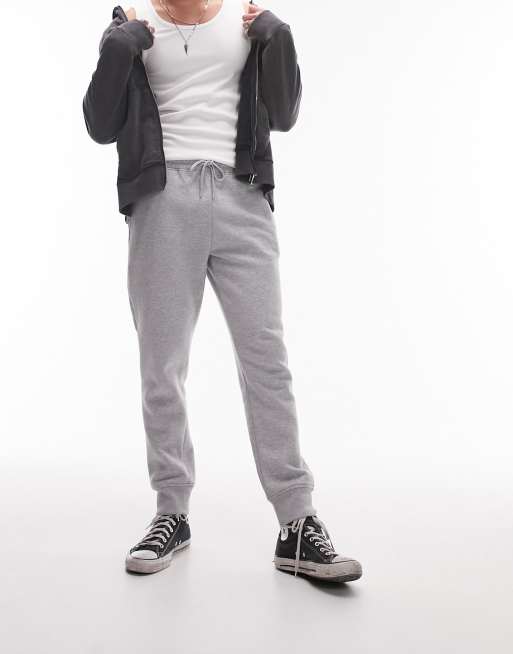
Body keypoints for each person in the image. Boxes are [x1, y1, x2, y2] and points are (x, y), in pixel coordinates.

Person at [83, 0, 362, 583]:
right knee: (163, 364)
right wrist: (119, 45)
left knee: (267, 362)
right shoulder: (134, 21)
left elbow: (283, 115)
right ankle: (172, 512)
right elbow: (99, 124)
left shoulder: (247, 18)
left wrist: (278, 37)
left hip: (243, 195)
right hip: (162, 199)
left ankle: (297, 522)